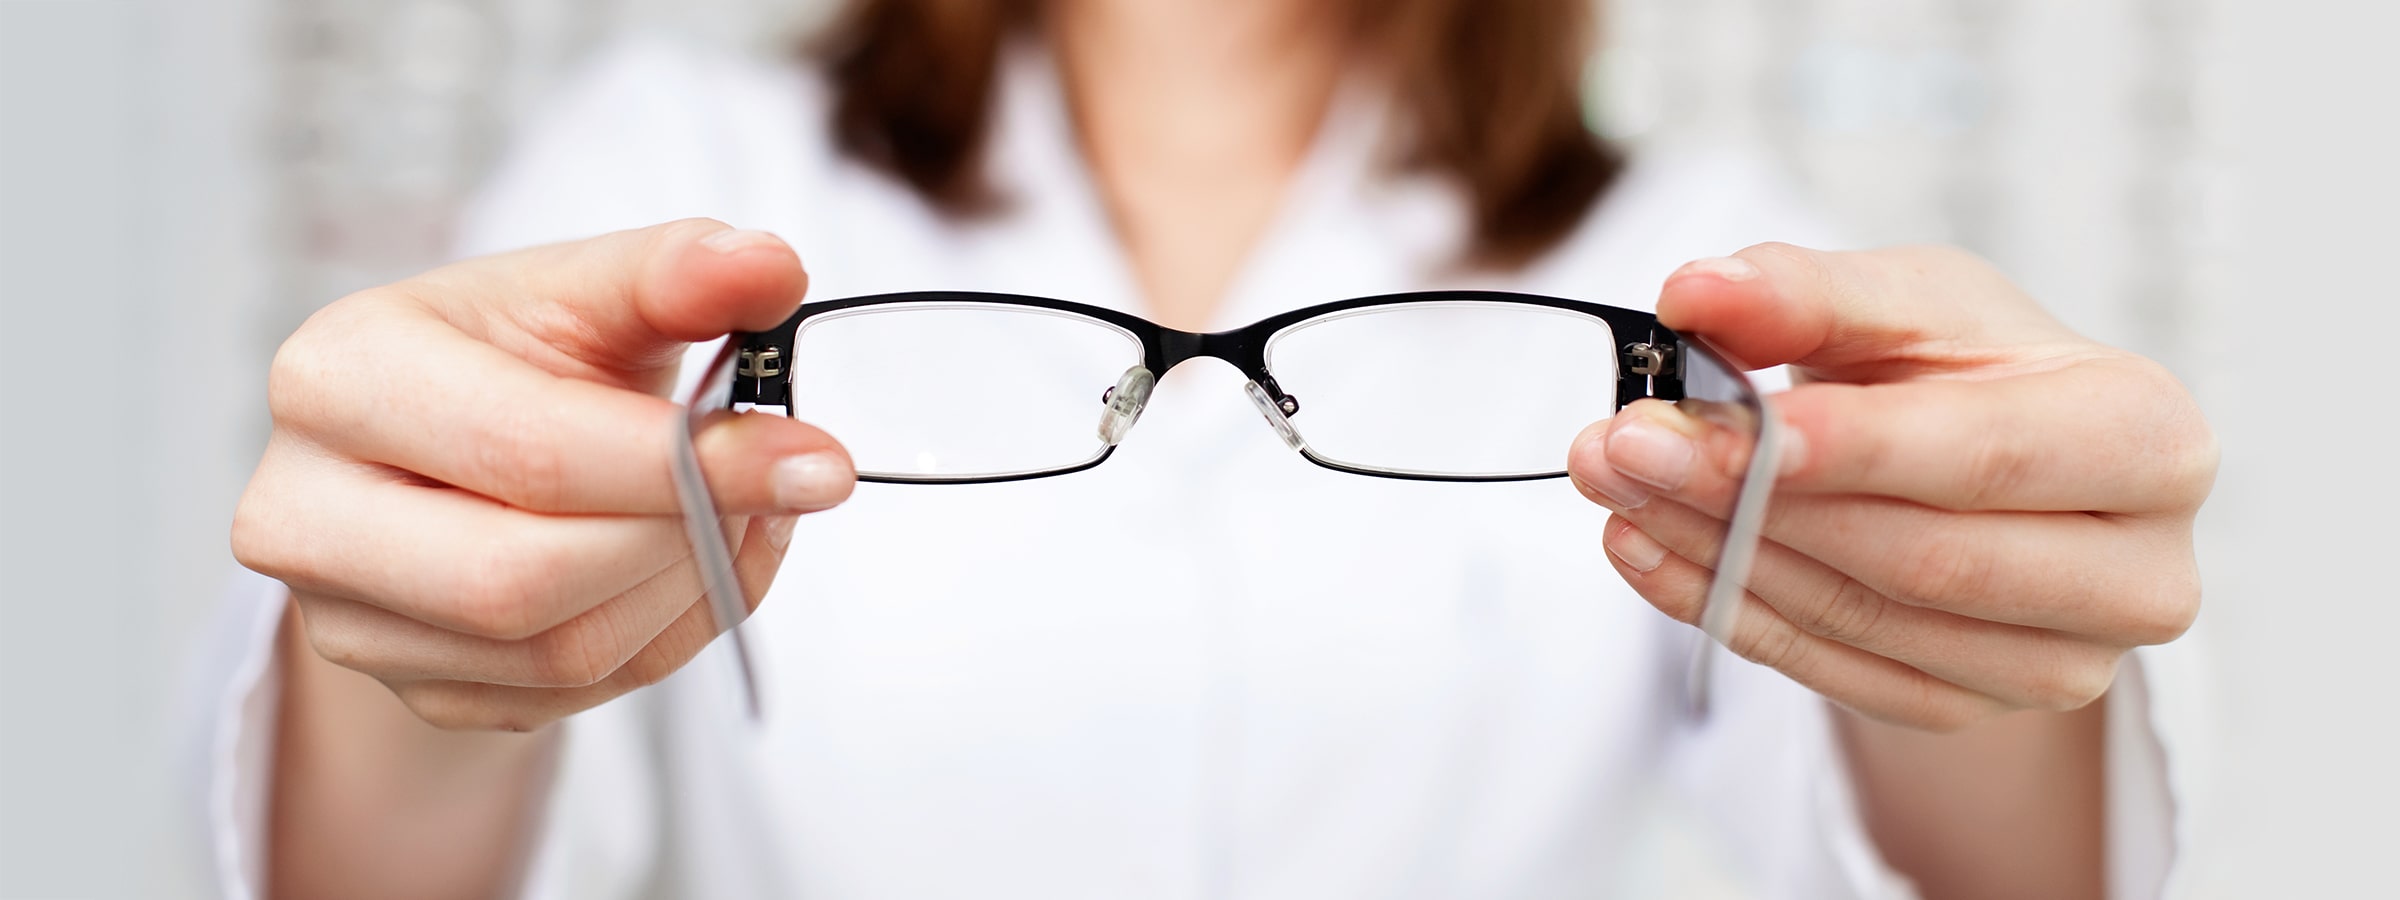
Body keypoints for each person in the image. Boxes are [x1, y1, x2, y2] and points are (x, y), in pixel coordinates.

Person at [209, 0, 2216, 897]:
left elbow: (1992, 874)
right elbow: (374, 880)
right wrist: (408, 651)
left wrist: (1991, 643)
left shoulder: (1676, 254)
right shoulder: (682, 174)